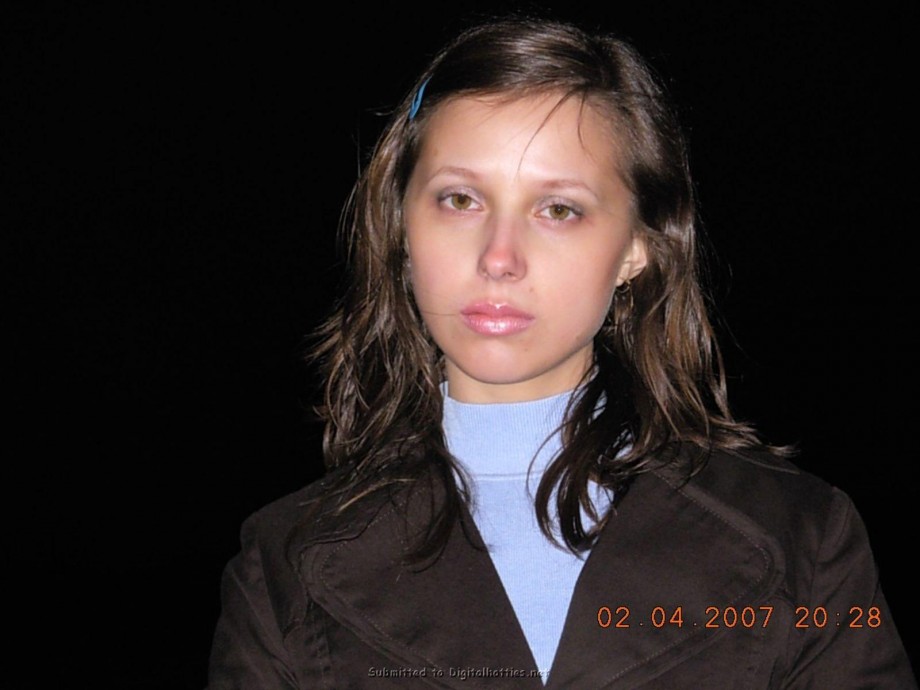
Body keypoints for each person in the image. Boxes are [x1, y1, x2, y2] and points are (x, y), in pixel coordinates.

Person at [206, 16, 916, 688]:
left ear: (637, 247)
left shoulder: (801, 539)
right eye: (459, 199)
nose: (499, 258)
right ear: (400, 227)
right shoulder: (283, 569)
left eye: (559, 209)